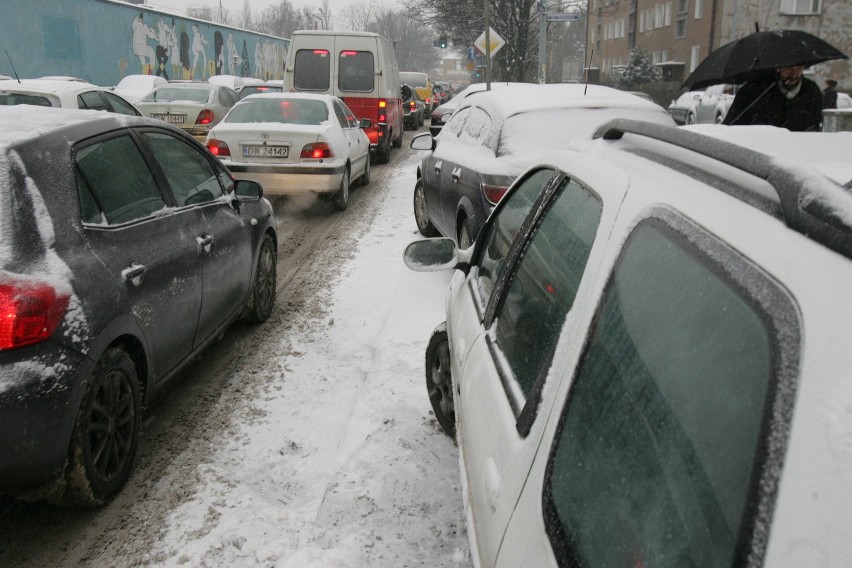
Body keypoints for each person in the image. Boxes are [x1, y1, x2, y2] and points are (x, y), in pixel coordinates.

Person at [723, 65, 823, 131]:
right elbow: (731, 125)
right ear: (778, 68)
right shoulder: (755, 90)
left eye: (799, 68)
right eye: (789, 68)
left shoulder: (812, 91)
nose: (794, 74)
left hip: (796, 154)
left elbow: (815, 126)